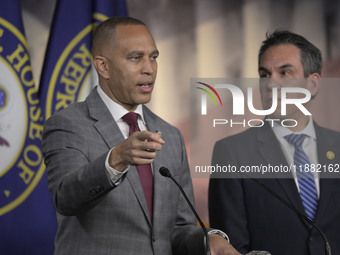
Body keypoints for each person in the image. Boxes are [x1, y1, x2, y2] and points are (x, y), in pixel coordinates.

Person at [42, 16, 240, 255]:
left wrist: (209, 240)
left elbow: (177, 228)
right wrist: (115, 159)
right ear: (103, 66)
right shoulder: (69, 124)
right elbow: (66, 198)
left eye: (153, 57)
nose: (149, 69)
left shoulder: (170, 135)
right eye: (136, 58)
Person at [208, 30, 340, 255]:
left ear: (313, 84)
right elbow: (230, 247)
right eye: (264, 74)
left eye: (285, 72)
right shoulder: (232, 152)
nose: (271, 84)